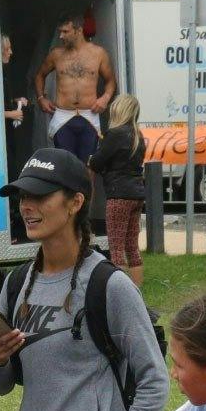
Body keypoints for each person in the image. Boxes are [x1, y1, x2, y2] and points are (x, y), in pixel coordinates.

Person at [0, 149, 167, 411]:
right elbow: (0, 385)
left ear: (75, 202)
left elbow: (155, 381)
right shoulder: (17, 282)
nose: (26, 206)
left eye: (39, 196)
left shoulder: (108, 284)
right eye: (23, 196)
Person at [33, 15, 115, 163]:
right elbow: (39, 75)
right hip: (63, 117)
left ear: (78, 30)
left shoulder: (98, 53)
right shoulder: (56, 54)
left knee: (89, 166)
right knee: (64, 166)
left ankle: (87, 188)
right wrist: (41, 99)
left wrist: (105, 97)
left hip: (89, 115)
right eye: (60, 32)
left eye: (65, 31)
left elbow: (111, 81)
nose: (61, 36)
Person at [89, 93, 147, 285]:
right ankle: (137, 293)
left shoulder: (115, 134)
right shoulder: (138, 136)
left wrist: (97, 151)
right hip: (136, 195)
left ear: (118, 111)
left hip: (119, 196)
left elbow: (97, 163)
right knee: (132, 247)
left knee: (116, 249)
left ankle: (119, 293)